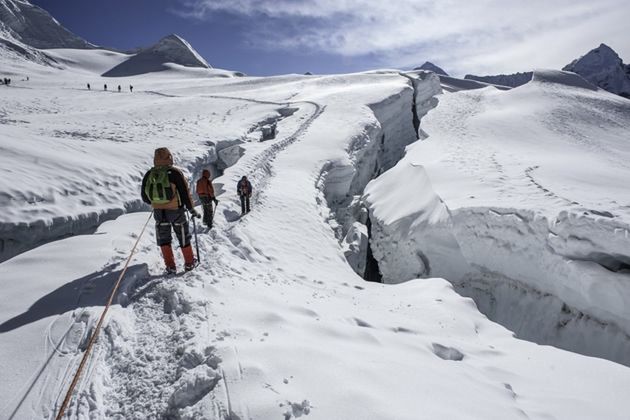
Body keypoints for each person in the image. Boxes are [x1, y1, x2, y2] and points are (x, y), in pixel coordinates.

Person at [141, 147, 201, 274]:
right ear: (169, 157)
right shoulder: (174, 173)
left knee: (164, 238)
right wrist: (191, 209)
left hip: (158, 212)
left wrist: (157, 203)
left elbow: (144, 197)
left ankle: (170, 266)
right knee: (183, 235)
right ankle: (189, 263)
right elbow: (185, 193)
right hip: (176, 211)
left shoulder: (149, 174)